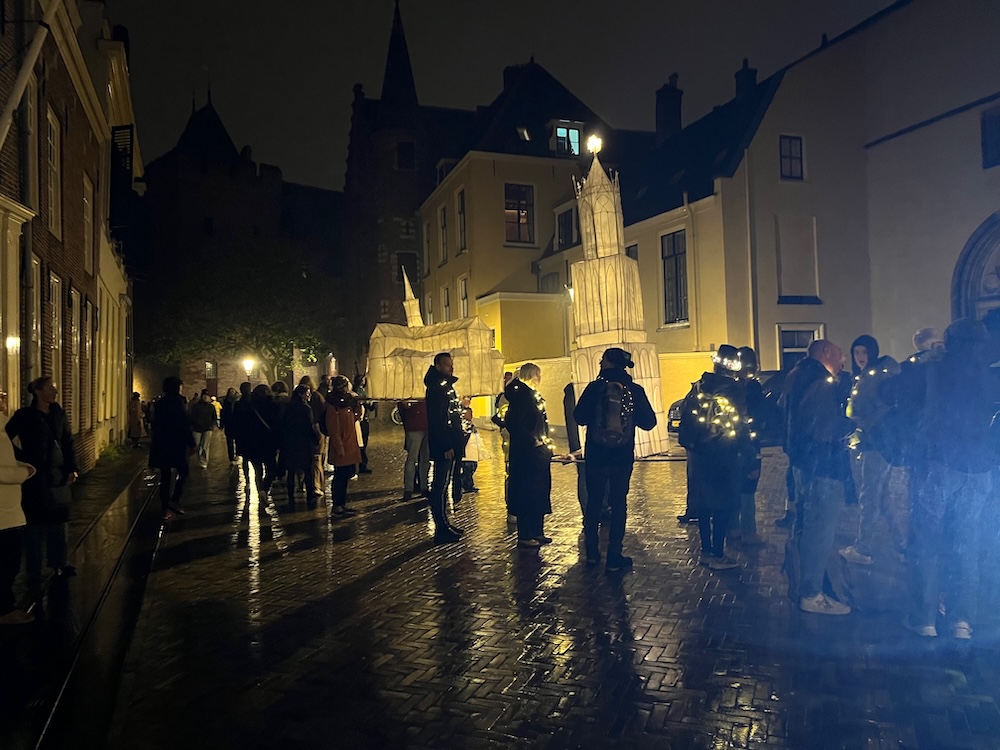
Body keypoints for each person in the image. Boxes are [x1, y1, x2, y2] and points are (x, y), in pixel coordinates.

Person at [885, 318, 998, 639]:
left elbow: (889, 391)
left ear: (949, 342)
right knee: (968, 544)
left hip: (937, 465)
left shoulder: (931, 370)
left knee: (927, 541)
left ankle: (925, 618)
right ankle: (963, 620)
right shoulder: (989, 377)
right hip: (977, 470)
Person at [783, 340, 855, 616]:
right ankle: (811, 592)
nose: (843, 360)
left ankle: (805, 582)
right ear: (824, 353)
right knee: (820, 528)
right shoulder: (820, 383)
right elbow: (825, 428)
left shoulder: (796, 376)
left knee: (806, 524)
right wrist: (851, 424)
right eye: (839, 354)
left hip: (803, 463)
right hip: (823, 466)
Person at [574, 347, 657, 573]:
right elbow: (649, 422)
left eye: (603, 360)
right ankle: (614, 555)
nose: (600, 363)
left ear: (610, 362)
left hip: (597, 456)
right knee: (619, 504)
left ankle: (592, 554)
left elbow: (578, 417)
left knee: (594, 503)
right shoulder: (634, 390)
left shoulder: (594, 388)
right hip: (621, 457)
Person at [678, 345, 749, 571]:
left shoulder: (699, 386)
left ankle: (706, 551)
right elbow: (740, 425)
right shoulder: (733, 389)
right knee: (723, 505)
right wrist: (749, 454)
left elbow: (686, 421)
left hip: (700, 454)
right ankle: (718, 553)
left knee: (705, 504)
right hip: (724, 453)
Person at [6, 377, 79, 585]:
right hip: (36, 476)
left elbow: (67, 440)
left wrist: (71, 467)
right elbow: (5, 437)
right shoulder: (25, 415)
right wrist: (21, 458)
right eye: (50, 388)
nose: (55, 391)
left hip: (57, 474)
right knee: (34, 524)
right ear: (38, 392)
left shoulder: (58, 413)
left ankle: (59, 562)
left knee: (59, 520)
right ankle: (34, 569)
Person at [839, 335, 904, 566]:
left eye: (864, 353)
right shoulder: (863, 377)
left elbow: (883, 409)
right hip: (865, 441)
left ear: (873, 353)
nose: (860, 358)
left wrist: (860, 423)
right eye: (856, 353)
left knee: (869, 495)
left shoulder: (878, 377)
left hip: (874, 443)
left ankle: (863, 548)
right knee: (881, 497)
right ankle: (902, 544)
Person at [505, 364, 557, 548]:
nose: (540, 378)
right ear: (532, 375)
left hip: (538, 453)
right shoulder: (522, 396)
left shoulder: (533, 395)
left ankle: (537, 531)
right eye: (538, 375)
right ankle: (525, 534)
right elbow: (513, 423)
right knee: (528, 492)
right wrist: (532, 441)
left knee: (539, 491)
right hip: (527, 454)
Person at [424, 352, 466, 543]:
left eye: (452, 364)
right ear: (438, 366)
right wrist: (447, 445)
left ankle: (445, 524)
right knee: (440, 485)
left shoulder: (444, 386)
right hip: (445, 445)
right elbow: (438, 419)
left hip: (451, 441)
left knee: (444, 483)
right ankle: (441, 528)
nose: (451, 368)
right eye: (447, 365)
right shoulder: (437, 388)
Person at [0, 412, 36, 624]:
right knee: (6, 564)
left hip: (11, 511)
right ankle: (4, 610)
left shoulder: (3, 427)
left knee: (11, 563)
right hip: (4, 513)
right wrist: (23, 472)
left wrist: (23, 464)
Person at [148, 376, 195, 520]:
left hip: (162, 443)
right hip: (176, 443)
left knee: (165, 476)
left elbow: (155, 423)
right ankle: (174, 500)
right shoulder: (178, 403)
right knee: (183, 471)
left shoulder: (160, 403)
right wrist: (191, 442)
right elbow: (183, 424)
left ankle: (165, 508)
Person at [734, 346, 766, 545]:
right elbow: (761, 414)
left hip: (732, 442)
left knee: (736, 487)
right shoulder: (753, 387)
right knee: (748, 487)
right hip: (750, 442)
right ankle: (749, 532)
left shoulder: (730, 386)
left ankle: (734, 529)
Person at [280, 385, 320, 509]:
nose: (309, 396)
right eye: (307, 393)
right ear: (302, 394)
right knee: (307, 470)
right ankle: (310, 495)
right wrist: (316, 439)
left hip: (290, 443)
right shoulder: (306, 408)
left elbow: (283, 424)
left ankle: (291, 497)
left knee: (291, 472)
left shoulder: (288, 407)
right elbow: (309, 426)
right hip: (303, 443)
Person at [326, 376, 361, 517]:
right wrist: (339, 447)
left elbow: (356, 417)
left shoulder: (347, 403)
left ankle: (342, 504)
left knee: (346, 476)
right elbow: (333, 429)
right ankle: (337, 505)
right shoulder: (333, 405)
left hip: (350, 444)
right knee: (340, 477)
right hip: (341, 447)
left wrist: (356, 404)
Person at [242, 384, 279, 491]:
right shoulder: (272, 405)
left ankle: (260, 491)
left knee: (258, 471)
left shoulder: (249, 406)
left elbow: (244, 426)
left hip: (253, 443)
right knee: (272, 470)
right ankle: (264, 489)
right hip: (268, 442)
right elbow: (276, 424)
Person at [300, 376, 328, 497]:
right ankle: (316, 485)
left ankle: (306, 484)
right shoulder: (316, 397)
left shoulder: (302, 399)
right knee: (317, 459)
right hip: (316, 430)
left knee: (310, 459)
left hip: (306, 431)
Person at [397, 397, 429, 501]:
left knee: (423, 459)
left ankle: (421, 487)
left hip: (423, 425)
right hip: (416, 426)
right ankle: (410, 489)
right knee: (413, 459)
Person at [493, 372, 514, 523]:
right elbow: (504, 418)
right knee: (511, 473)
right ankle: (512, 508)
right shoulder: (506, 397)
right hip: (511, 440)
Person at [188, 389, 216, 469]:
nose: (205, 397)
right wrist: (193, 425)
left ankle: (203, 462)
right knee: (196, 445)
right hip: (197, 428)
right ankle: (200, 458)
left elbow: (214, 417)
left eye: (206, 396)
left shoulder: (211, 407)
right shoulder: (196, 406)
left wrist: (212, 425)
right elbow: (191, 416)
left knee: (205, 446)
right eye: (204, 395)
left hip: (207, 428)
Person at [353, 374, 374, 474]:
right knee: (362, 443)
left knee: (363, 443)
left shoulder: (361, 390)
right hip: (361, 420)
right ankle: (361, 465)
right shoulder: (358, 391)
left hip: (364, 419)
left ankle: (361, 464)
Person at [459, 396, 479, 493]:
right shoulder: (459, 411)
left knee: (472, 465)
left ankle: (467, 483)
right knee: (468, 466)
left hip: (472, 443)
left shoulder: (468, 411)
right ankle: (466, 484)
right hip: (466, 444)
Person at [220, 387, 240, 464]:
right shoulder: (226, 401)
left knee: (237, 439)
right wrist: (222, 423)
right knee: (230, 441)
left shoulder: (237, 401)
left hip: (236, 423)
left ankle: (238, 453)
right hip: (229, 423)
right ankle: (231, 457)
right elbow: (223, 413)